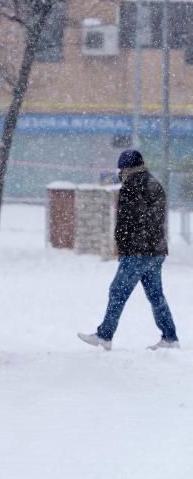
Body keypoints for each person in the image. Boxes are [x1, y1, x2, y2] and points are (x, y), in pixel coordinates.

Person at [78, 150, 179, 351]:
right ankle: (170, 337)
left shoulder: (133, 185)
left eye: (121, 168)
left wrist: (124, 244)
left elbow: (128, 221)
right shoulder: (153, 183)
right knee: (156, 295)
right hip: (155, 251)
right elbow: (153, 219)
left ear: (127, 168)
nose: (120, 172)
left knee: (117, 292)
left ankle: (105, 336)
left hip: (137, 252)